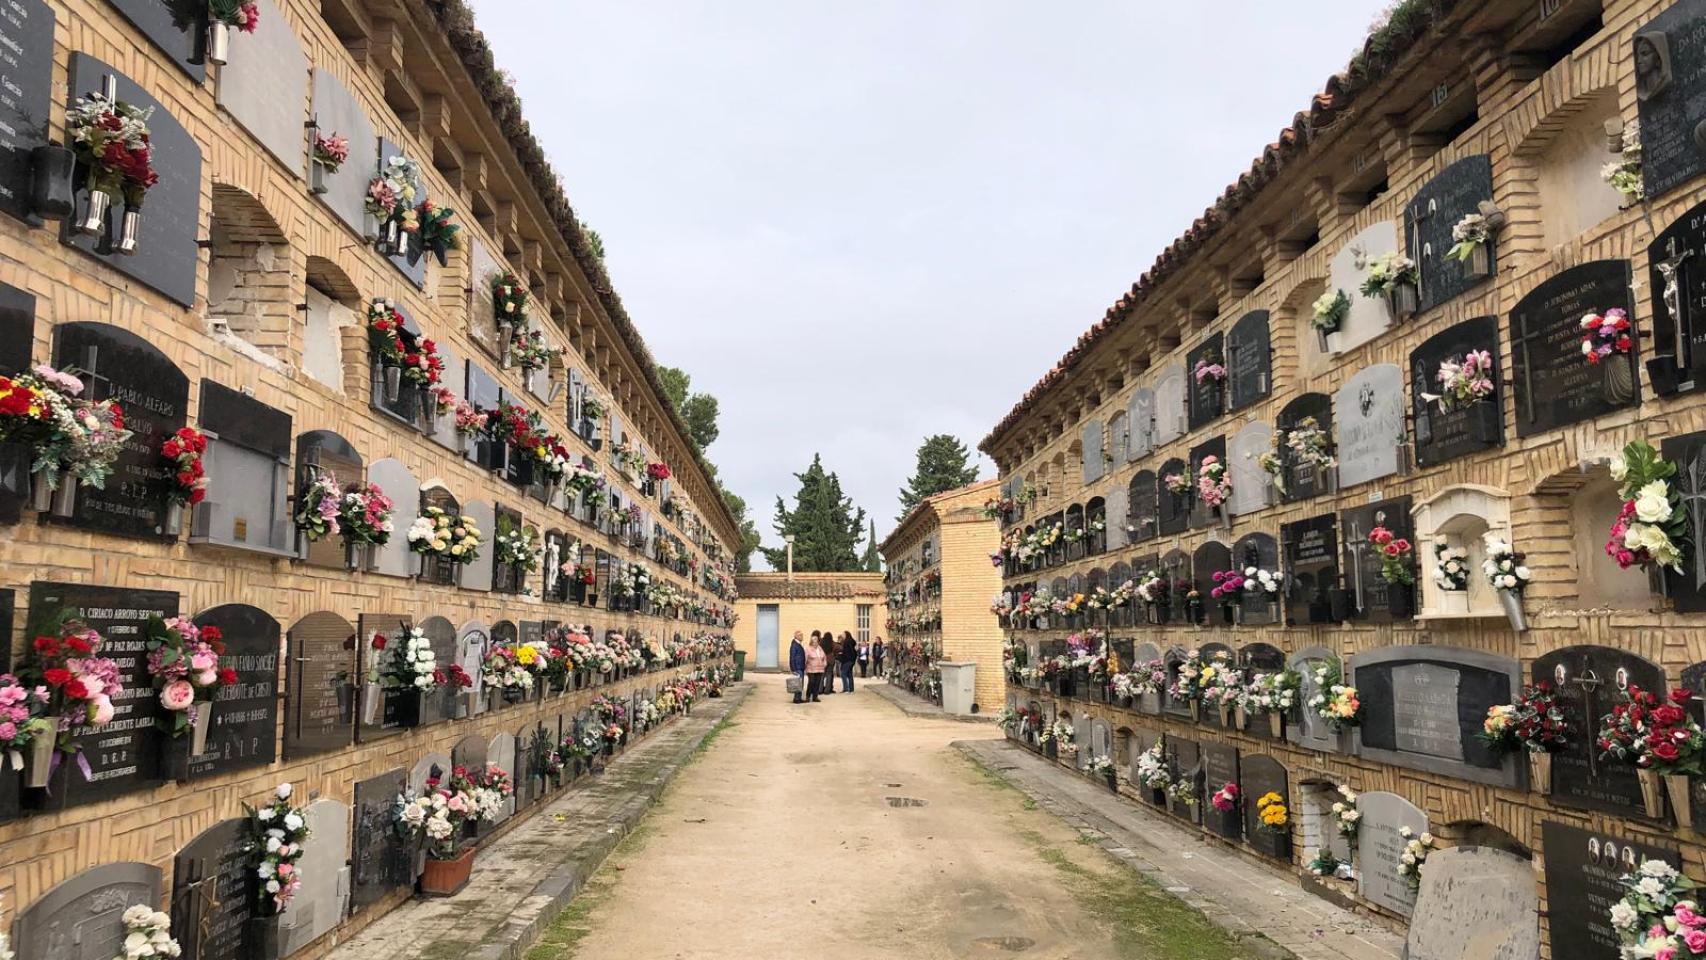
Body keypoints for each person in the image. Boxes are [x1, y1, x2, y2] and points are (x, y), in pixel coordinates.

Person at [804, 635, 828, 702]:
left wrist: (825, 663)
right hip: (811, 669)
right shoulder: (808, 649)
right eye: (814, 641)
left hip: (820, 669)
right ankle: (808, 696)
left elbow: (824, 657)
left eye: (816, 641)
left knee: (817, 683)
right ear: (811, 642)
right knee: (811, 682)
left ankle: (815, 697)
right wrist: (804, 667)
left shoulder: (820, 648)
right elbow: (805, 658)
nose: (815, 643)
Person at [788, 631, 807, 704]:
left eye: (802, 635)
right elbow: (792, 657)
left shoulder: (798, 644)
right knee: (798, 683)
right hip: (797, 668)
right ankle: (796, 699)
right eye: (800, 635)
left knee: (800, 683)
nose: (802, 636)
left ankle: (798, 698)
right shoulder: (794, 645)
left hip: (800, 667)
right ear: (796, 636)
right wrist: (793, 668)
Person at [819, 629, 837, 694]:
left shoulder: (821, 642)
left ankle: (820, 690)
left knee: (822, 675)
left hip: (823, 659)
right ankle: (827, 690)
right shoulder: (832, 642)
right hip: (830, 660)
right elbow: (838, 648)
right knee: (829, 675)